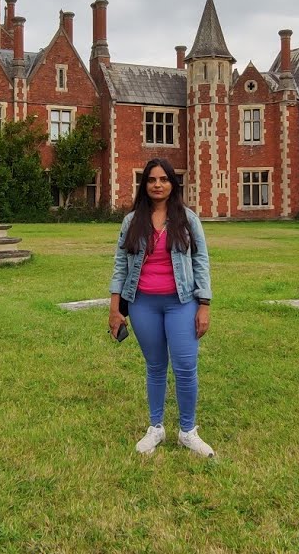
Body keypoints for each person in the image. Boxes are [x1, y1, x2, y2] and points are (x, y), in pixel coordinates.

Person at [109, 158, 215, 457]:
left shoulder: (188, 219)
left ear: (173, 183)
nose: (158, 185)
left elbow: (201, 262)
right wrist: (115, 308)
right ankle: (156, 427)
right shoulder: (132, 221)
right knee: (155, 367)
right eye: (152, 180)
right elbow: (120, 265)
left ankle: (188, 431)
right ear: (145, 185)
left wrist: (204, 303)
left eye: (164, 179)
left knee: (185, 368)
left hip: (181, 303)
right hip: (143, 303)